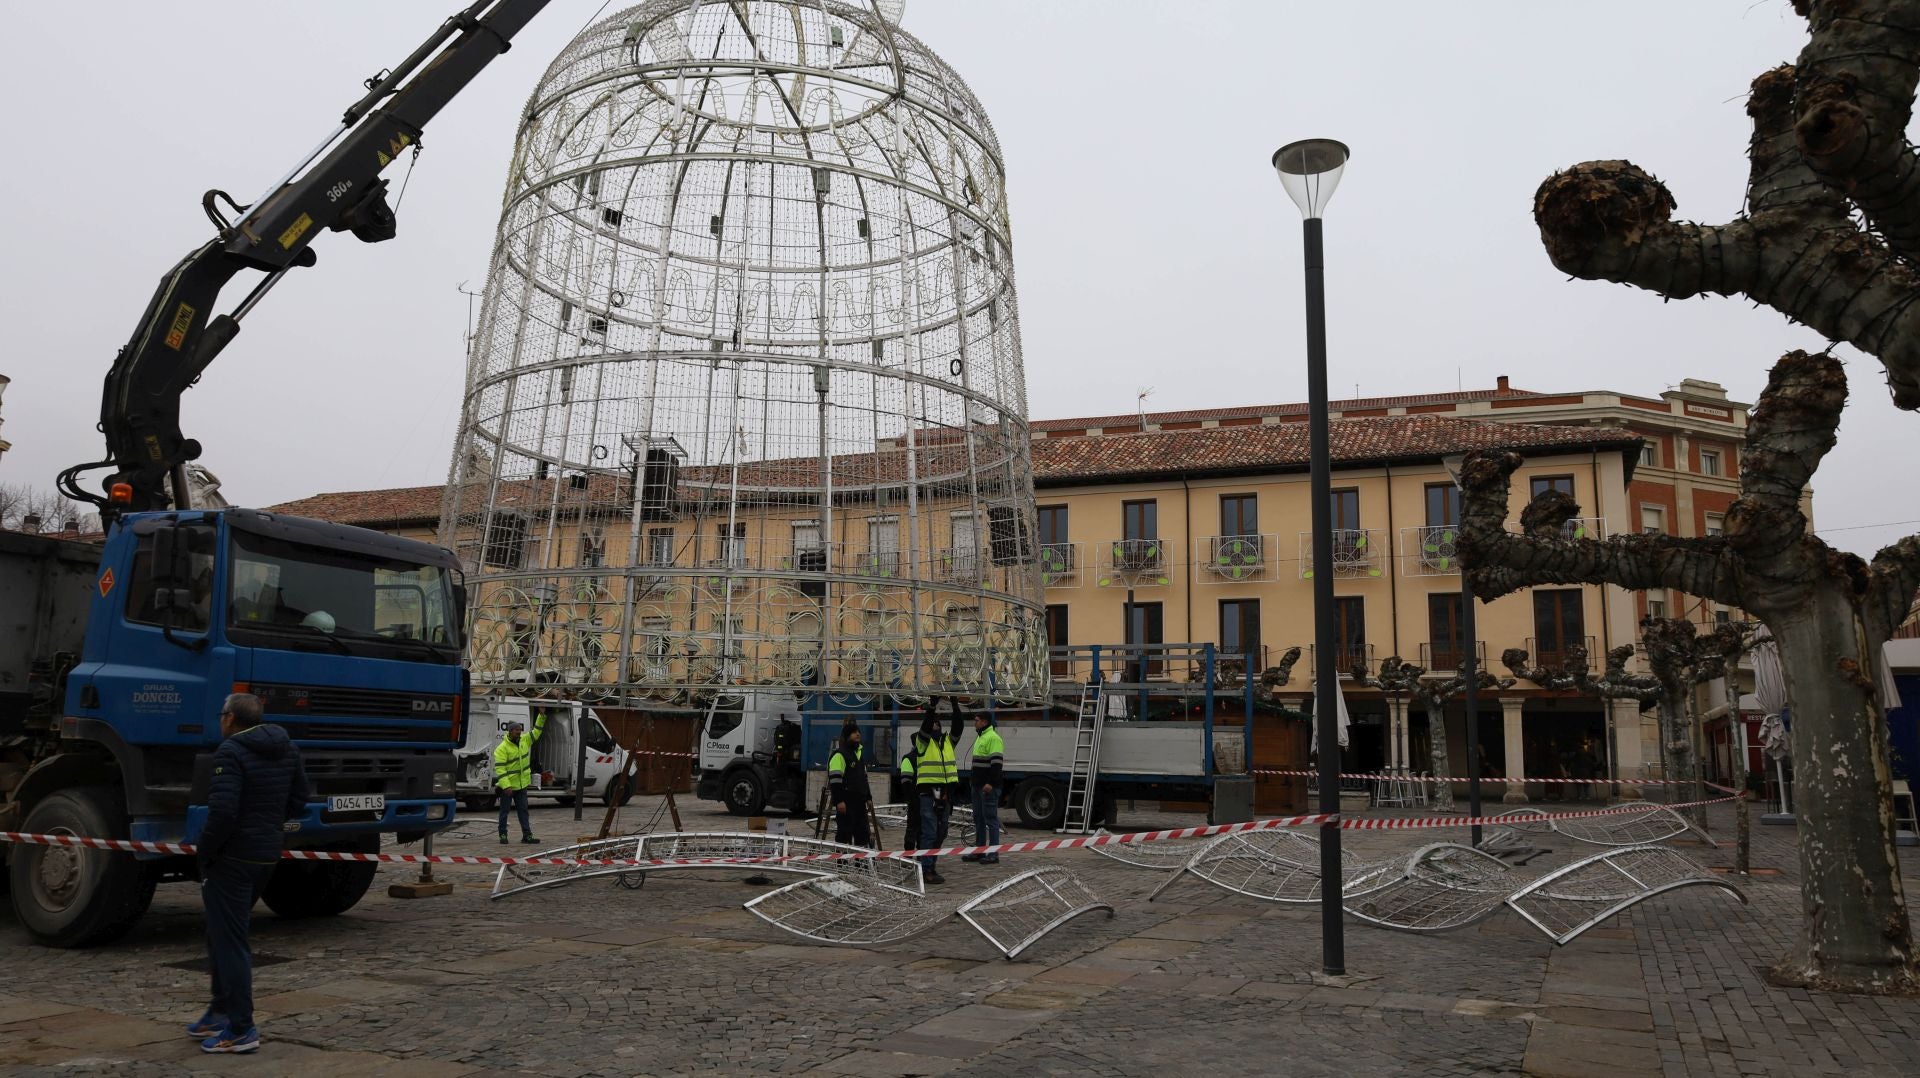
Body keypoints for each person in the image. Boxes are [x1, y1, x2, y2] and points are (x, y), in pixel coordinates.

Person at [188, 692, 310, 1054]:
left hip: (232, 857)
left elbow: (222, 812)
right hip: (265, 854)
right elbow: (301, 797)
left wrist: (205, 851)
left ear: (229, 718)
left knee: (230, 942)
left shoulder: (230, 752)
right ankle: (218, 1010)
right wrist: (271, 825)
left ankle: (241, 1028)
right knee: (221, 933)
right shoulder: (287, 747)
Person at [912, 698, 964, 883]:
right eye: (933, 722)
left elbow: (959, 726)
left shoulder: (948, 742)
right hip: (928, 794)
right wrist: (932, 708)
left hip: (945, 793)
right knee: (930, 832)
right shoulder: (922, 743)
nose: (935, 724)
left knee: (941, 833)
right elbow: (925, 727)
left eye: (937, 722)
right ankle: (926, 869)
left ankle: (930, 864)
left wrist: (955, 705)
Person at [494, 709, 548, 844]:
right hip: (508, 787)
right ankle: (503, 835)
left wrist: (541, 715)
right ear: (510, 731)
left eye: (520, 729)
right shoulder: (501, 748)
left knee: (523, 811)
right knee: (504, 812)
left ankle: (527, 835)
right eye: (516, 730)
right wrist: (506, 786)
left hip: (522, 785)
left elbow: (536, 732)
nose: (519, 732)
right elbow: (500, 769)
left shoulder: (524, 740)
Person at [961, 709, 1005, 865]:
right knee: (978, 818)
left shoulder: (993, 738)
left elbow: (996, 765)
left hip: (987, 788)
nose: (975, 722)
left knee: (990, 819)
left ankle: (993, 854)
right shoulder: (981, 737)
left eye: (977, 720)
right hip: (978, 786)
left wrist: (990, 784)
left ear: (985, 722)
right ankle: (980, 851)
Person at [827, 720, 873, 847]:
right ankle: (842, 864)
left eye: (858, 732)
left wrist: (868, 797)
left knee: (862, 834)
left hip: (860, 801)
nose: (857, 734)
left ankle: (859, 864)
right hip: (846, 802)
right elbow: (835, 780)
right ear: (847, 736)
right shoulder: (840, 755)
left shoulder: (858, 755)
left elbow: (864, 778)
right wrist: (839, 801)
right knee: (844, 834)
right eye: (853, 732)